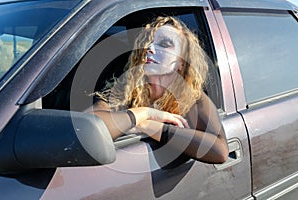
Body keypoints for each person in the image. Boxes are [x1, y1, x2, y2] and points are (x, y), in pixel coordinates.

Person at [86, 16, 228, 164]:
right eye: (149, 42)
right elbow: (86, 127)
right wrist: (144, 113)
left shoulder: (192, 98)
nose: (150, 48)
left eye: (164, 44)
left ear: (181, 61)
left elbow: (219, 151)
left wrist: (147, 124)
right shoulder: (124, 88)